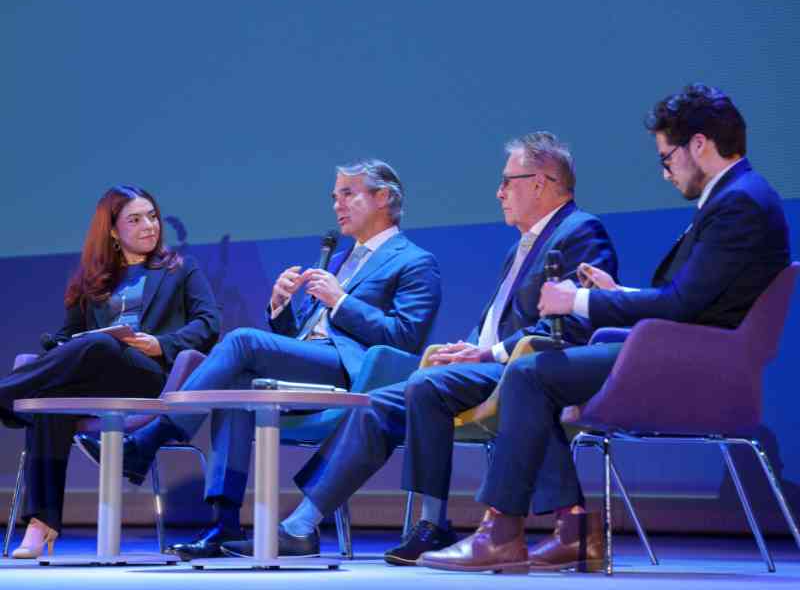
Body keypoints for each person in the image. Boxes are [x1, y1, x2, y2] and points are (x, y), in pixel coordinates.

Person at [418, 84, 790, 574]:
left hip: (697, 363)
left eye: (667, 157)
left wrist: (579, 300)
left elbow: (684, 305)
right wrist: (620, 294)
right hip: (690, 349)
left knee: (530, 375)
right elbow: (697, 300)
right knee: (535, 377)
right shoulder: (739, 197)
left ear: (699, 144)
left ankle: (502, 533)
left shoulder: (739, 203)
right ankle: (571, 532)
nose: (666, 171)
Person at [219, 132, 618, 562]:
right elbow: (497, 322)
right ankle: (302, 525)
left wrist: (486, 354)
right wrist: (463, 348)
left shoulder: (579, 231)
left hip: (534, 369)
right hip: (494, 366)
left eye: (507, 181)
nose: (499, 191)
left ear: (539, 183)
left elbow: (566, 325)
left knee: (424, 386)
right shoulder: (522, 244)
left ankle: (434, 524)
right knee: (377, 403)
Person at [77, 159, 443, 560]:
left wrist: (340, 300)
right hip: (316, 363)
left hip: (354, 373)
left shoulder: (414, 261)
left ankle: (153, 437)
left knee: (242, 342)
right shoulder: (342, 259)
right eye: (333, 196)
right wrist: (280, 306)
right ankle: (223, 521)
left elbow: (405, 338)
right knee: (237, 386)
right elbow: (299, 338)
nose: (337, 204)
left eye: (347, 193)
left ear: (383, 197)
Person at [0, 185, 220, 559]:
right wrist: (58, 343)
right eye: (135, 219)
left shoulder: (179, 269)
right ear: (114, 231)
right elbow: (70, 336)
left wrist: (160, 344)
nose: (149, 226)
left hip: (151, 377)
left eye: (152, 216)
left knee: (100, 345)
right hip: (98, 371)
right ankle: (41, 524)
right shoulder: (95, 279)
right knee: (53, 397)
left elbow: (208, 324)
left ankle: (6, 396)